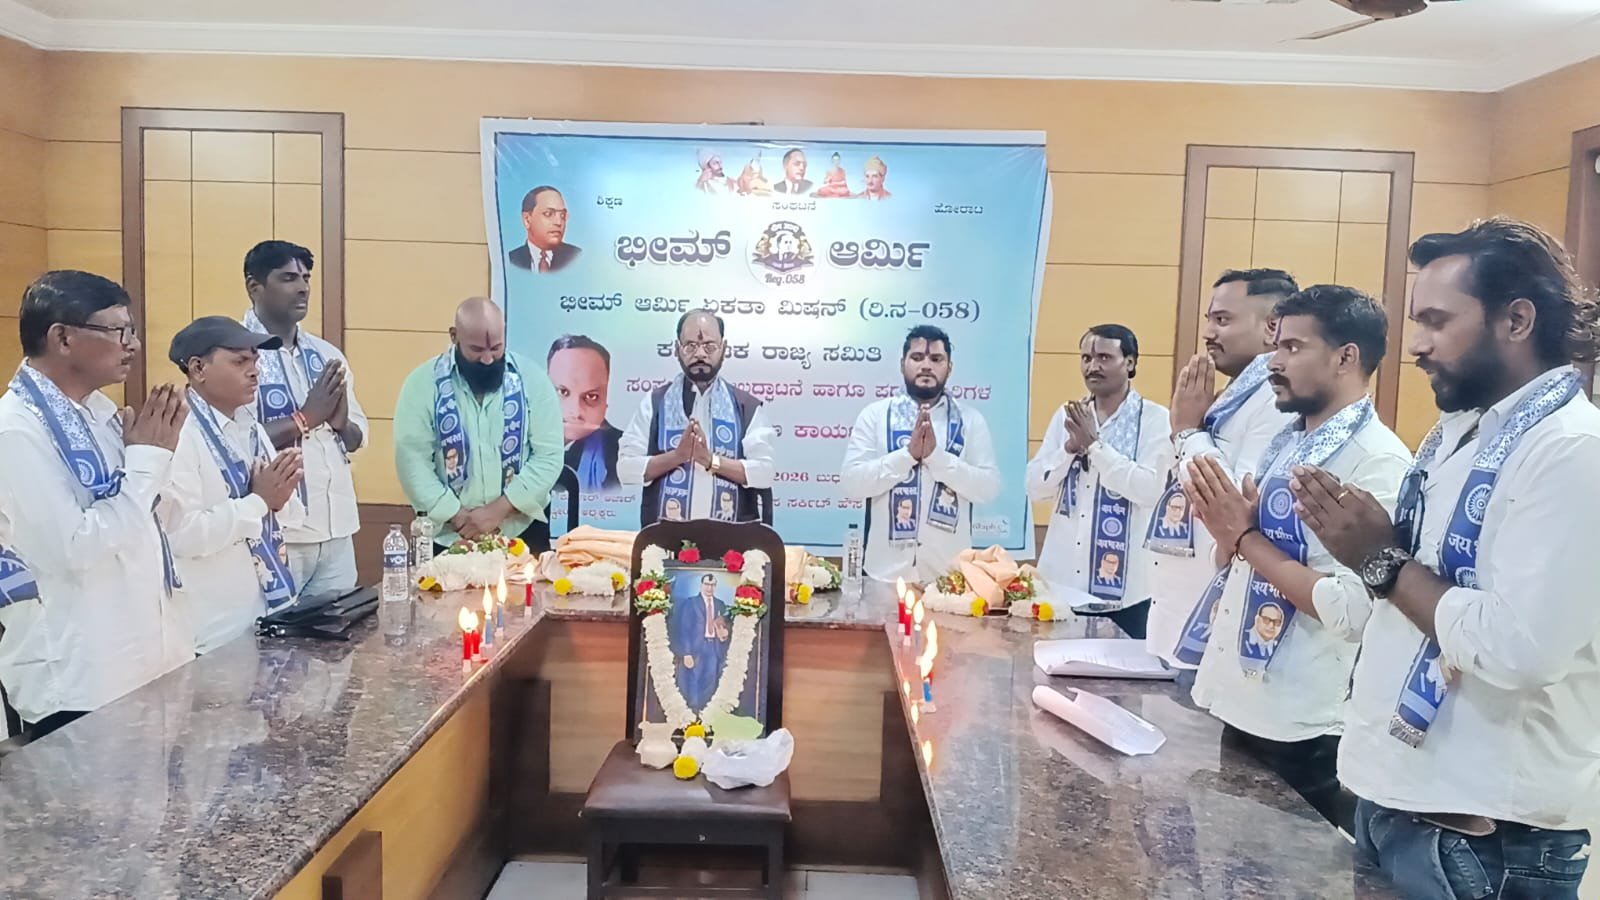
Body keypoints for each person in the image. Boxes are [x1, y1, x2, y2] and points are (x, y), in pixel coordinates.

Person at [1293, 219, 1599, 897]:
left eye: (1437, 321)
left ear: (1516, 320)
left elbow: (1521, 650)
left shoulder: (1570, 450)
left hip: (1484, 837)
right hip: (1397, 800)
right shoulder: (1463, 435)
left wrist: (1381, 562)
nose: (1417, 345)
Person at [1182, 284, 1411, 834]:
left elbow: (1352, 611)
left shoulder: (1378, 461)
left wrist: (1244, 537)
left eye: (1292, 348)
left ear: (1345, 357)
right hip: (1243, 695)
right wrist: (1231, 535)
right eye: (1276, 347)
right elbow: (1238, 561)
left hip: (1302, 719)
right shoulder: (1289, 443)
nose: (1274, 364)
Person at [0, 271, 193, 739]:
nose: (134, 345)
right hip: (80, 679)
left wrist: (157, 465)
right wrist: (146, 463)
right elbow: (73, 548)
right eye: (118, 331)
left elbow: (152, 522)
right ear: (62, 338)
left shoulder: (101, 413)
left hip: (142, 662)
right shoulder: (16, 431)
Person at [1153, 269, 1299, 672]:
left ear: (1272, 327)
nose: (1208, 333)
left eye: (1222, 320)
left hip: (1220, 613)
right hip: (1180, 604)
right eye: (1209, 319)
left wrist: (1188, 432)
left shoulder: (1274, 401)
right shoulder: (1230, 396)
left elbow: (1236, 502)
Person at [161, 317, 306, 655]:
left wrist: (279, 498)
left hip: (267, 610)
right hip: (215, 628)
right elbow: (182, 536)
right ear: (198, 368)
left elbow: (291, 517)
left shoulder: (250, 427)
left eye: (255, 360)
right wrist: (259, 502)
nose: (255, 371)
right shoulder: (178, 434)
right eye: (240, 361)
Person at [1026, 325, 1171, 638]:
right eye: (1086, 358)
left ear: (1130, 362)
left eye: (1104, 357)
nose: (1093, 366)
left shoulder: (1155, 419)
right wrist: (1068, 450)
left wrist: (1095, 447)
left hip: (1128, 594)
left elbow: (1150, 490)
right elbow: (1035, 488)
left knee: (1125, 671)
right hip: (1062, 586)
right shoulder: (1068, 416)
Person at [241, 240, 367, 599]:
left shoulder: (326, 355)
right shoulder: (236, 354)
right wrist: (305, 418)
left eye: (306, 278)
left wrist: (341, 424)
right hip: (277, 533)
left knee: (338, 631)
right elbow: (233, 442)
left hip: (337, 529)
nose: (302, 288)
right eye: (288, 278)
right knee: (274, 634)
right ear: (254, 287)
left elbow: (356, 439)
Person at [394, 298, 564, 554]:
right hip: (450, 536)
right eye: (476, 349)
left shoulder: (533, 380)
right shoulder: (422, 384)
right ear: (454, 336)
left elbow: (549, 455)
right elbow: (412, 460)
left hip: (520, 531)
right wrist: (458, 515)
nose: (487, 359)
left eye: (496, 348)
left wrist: (498, 510)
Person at [842, 325, 1000, 583]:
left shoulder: (971, 421)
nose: (926, 366)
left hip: (948, 577)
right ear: (902, 364)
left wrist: (937, 458)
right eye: (917, 357)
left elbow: (988, 488)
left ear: (949, 368)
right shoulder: (875, 416)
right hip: (884, 574)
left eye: (936, 359)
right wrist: (907, 456)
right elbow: (852, 483)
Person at [618, 310, 777, 527]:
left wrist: (710, 461)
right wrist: (677, 456)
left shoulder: (746, 407)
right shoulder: (654, 403)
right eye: (690, 346)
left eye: (709, 346)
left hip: (732, 541)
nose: (700, 353)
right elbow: (625, 469)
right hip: (664, 540)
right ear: (677, 350)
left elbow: (765, 473)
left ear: (724, 349)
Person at [549, 335, 622, 492]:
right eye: (563, 392)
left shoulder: (625, 450)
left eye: (591, 397)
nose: (575, 412)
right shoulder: (517, 444)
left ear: (606, 400)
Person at [669, 573, 730, 710]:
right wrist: (686, 653)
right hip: (695, 648)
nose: (709, 588)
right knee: (694, 679)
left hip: (713, 647)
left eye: (712, 585)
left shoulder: (720, 604)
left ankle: (706, 711)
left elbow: (726, 625)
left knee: (711, 680)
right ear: (701, 585)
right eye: (706, 584)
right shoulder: (691, 603)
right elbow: (684, 629)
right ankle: (693, 711)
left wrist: (725, 633)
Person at [507, 186, 581, 273]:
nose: (559, 222)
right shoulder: (510, 260)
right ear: (527, 219)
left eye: (562, 215)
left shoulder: (577, 257)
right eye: (548, 214)